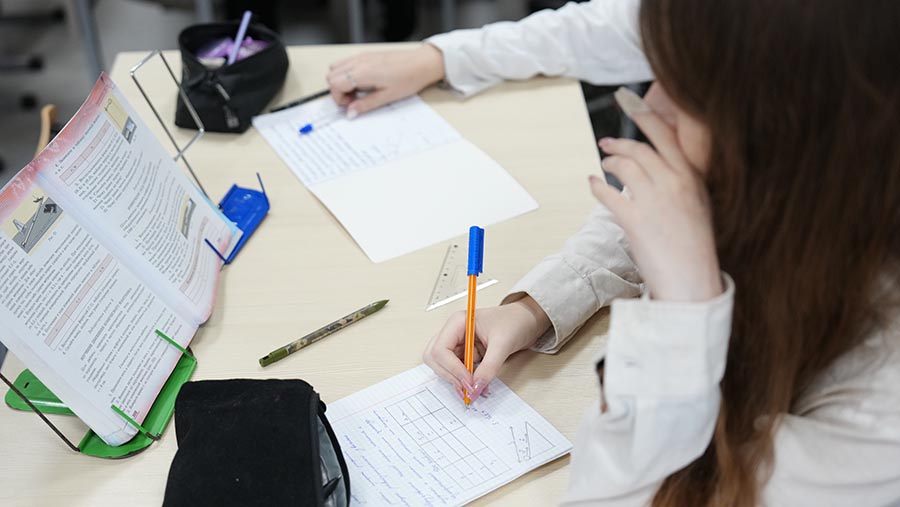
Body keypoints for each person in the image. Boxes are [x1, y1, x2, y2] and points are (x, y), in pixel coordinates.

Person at [328, 1, 900, 505]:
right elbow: (654, 210)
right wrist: (533, 308)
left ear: (787, 135)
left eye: (689, 89)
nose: (650, 103)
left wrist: (681, 308)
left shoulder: (881, 402)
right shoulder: (798, 186)